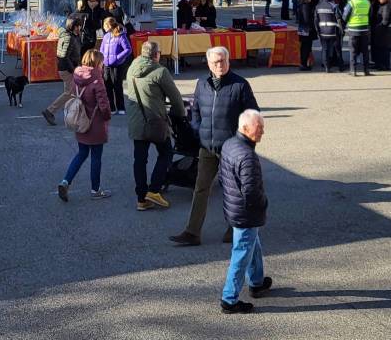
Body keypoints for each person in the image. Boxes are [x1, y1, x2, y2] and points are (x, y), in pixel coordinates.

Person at [170, 47, 259, 247]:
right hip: (207, 147)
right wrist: (197, 130)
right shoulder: (202, 84)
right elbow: (195, 112)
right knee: (200, 188)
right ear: (208, 63)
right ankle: (192, 232)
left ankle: (235, 228)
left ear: (228, 61)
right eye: (215, 62)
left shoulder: (240, 85)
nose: (219, 65)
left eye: (223, 61)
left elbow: (253, 114)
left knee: (234, 191)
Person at [219, 109, 271, 314]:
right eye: (260, 128)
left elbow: (223, 178)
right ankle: (229, 299)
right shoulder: (247, 156)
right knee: (241, 254)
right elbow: (251, 193)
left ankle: (257, 281)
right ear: (246, 128)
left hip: (233, 209)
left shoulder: (229, 144)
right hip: (245, 214)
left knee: (252, 244)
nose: (262, 133)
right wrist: (263, 204)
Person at [124, 40, 186, 211]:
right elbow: (176, 99)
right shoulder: (160, 71)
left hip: (137, 121)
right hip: (155, 121)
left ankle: (141, 199)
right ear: (156, 54)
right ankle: (154, 190)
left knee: (140, 160)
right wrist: (180, 114)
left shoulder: (133, 66)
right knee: (166, 153)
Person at [57, 49, 113, 201]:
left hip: (80, 119)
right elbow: (104, 105)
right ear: (96, 63)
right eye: (101, 62)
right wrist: (107, 117)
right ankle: (95, 190)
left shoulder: (77, 76)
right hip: (95, 123)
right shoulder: (97, 80)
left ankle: (65, 181)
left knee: (81, 154)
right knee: (96, 157)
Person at [42, 14, 83, 125]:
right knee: (69, 93)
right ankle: (50, 111)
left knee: (73, 93)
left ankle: (72, 115)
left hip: (68, 68)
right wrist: (73, 70)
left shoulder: (73, 36)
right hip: (67, 69)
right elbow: (64, 56)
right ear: (73, 26)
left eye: (80, 26)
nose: (79, 28)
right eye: (78, 26)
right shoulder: (69, 38)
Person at [99, 17, 131, 114]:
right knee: (107, 86)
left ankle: (121, 108)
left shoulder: (121, 36)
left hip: (117, 65)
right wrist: (101, 60)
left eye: (104, 25)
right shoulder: (106, 36)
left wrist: (117, 58)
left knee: (117, 86)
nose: (103, 27)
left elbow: (128, 49)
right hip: (106, 65)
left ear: (109, 25)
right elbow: (101, 49)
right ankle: (111, 108)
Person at [342, 0, 371, 76]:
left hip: (353, 30)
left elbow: (345, 16)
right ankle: (366, 70)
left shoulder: (351, 3)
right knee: (365, 51)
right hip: (365, 29)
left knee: (353, 51)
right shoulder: (367, 2)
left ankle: (353, 70)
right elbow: (370, 14)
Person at [315, 0, 345, 72]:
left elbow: (316, 20)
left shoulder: (318, 6)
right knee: (337, 49)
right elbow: (339, 18)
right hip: (333, 31)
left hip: (323, 32)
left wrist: (318, 31)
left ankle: (327, 67)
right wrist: (342, 30)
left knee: (325, 49)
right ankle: (341, 66)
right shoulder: (334, 6)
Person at [371, 0, 391, 71]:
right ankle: (379, 64)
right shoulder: (382, 5)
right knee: (379, 48)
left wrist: (377, 28)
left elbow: (385, 20)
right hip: (380, 31)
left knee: (384, 49)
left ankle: (384, 65)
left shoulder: (387, 6)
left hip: (384, 32)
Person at [296, 0, 316, 71]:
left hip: (303, 28)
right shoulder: (306, 5)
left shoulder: (302, 4)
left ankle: (303, 63)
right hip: (306, 29)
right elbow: (306, 18)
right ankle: (303, 64)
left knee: (305, 47)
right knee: (306, 47)